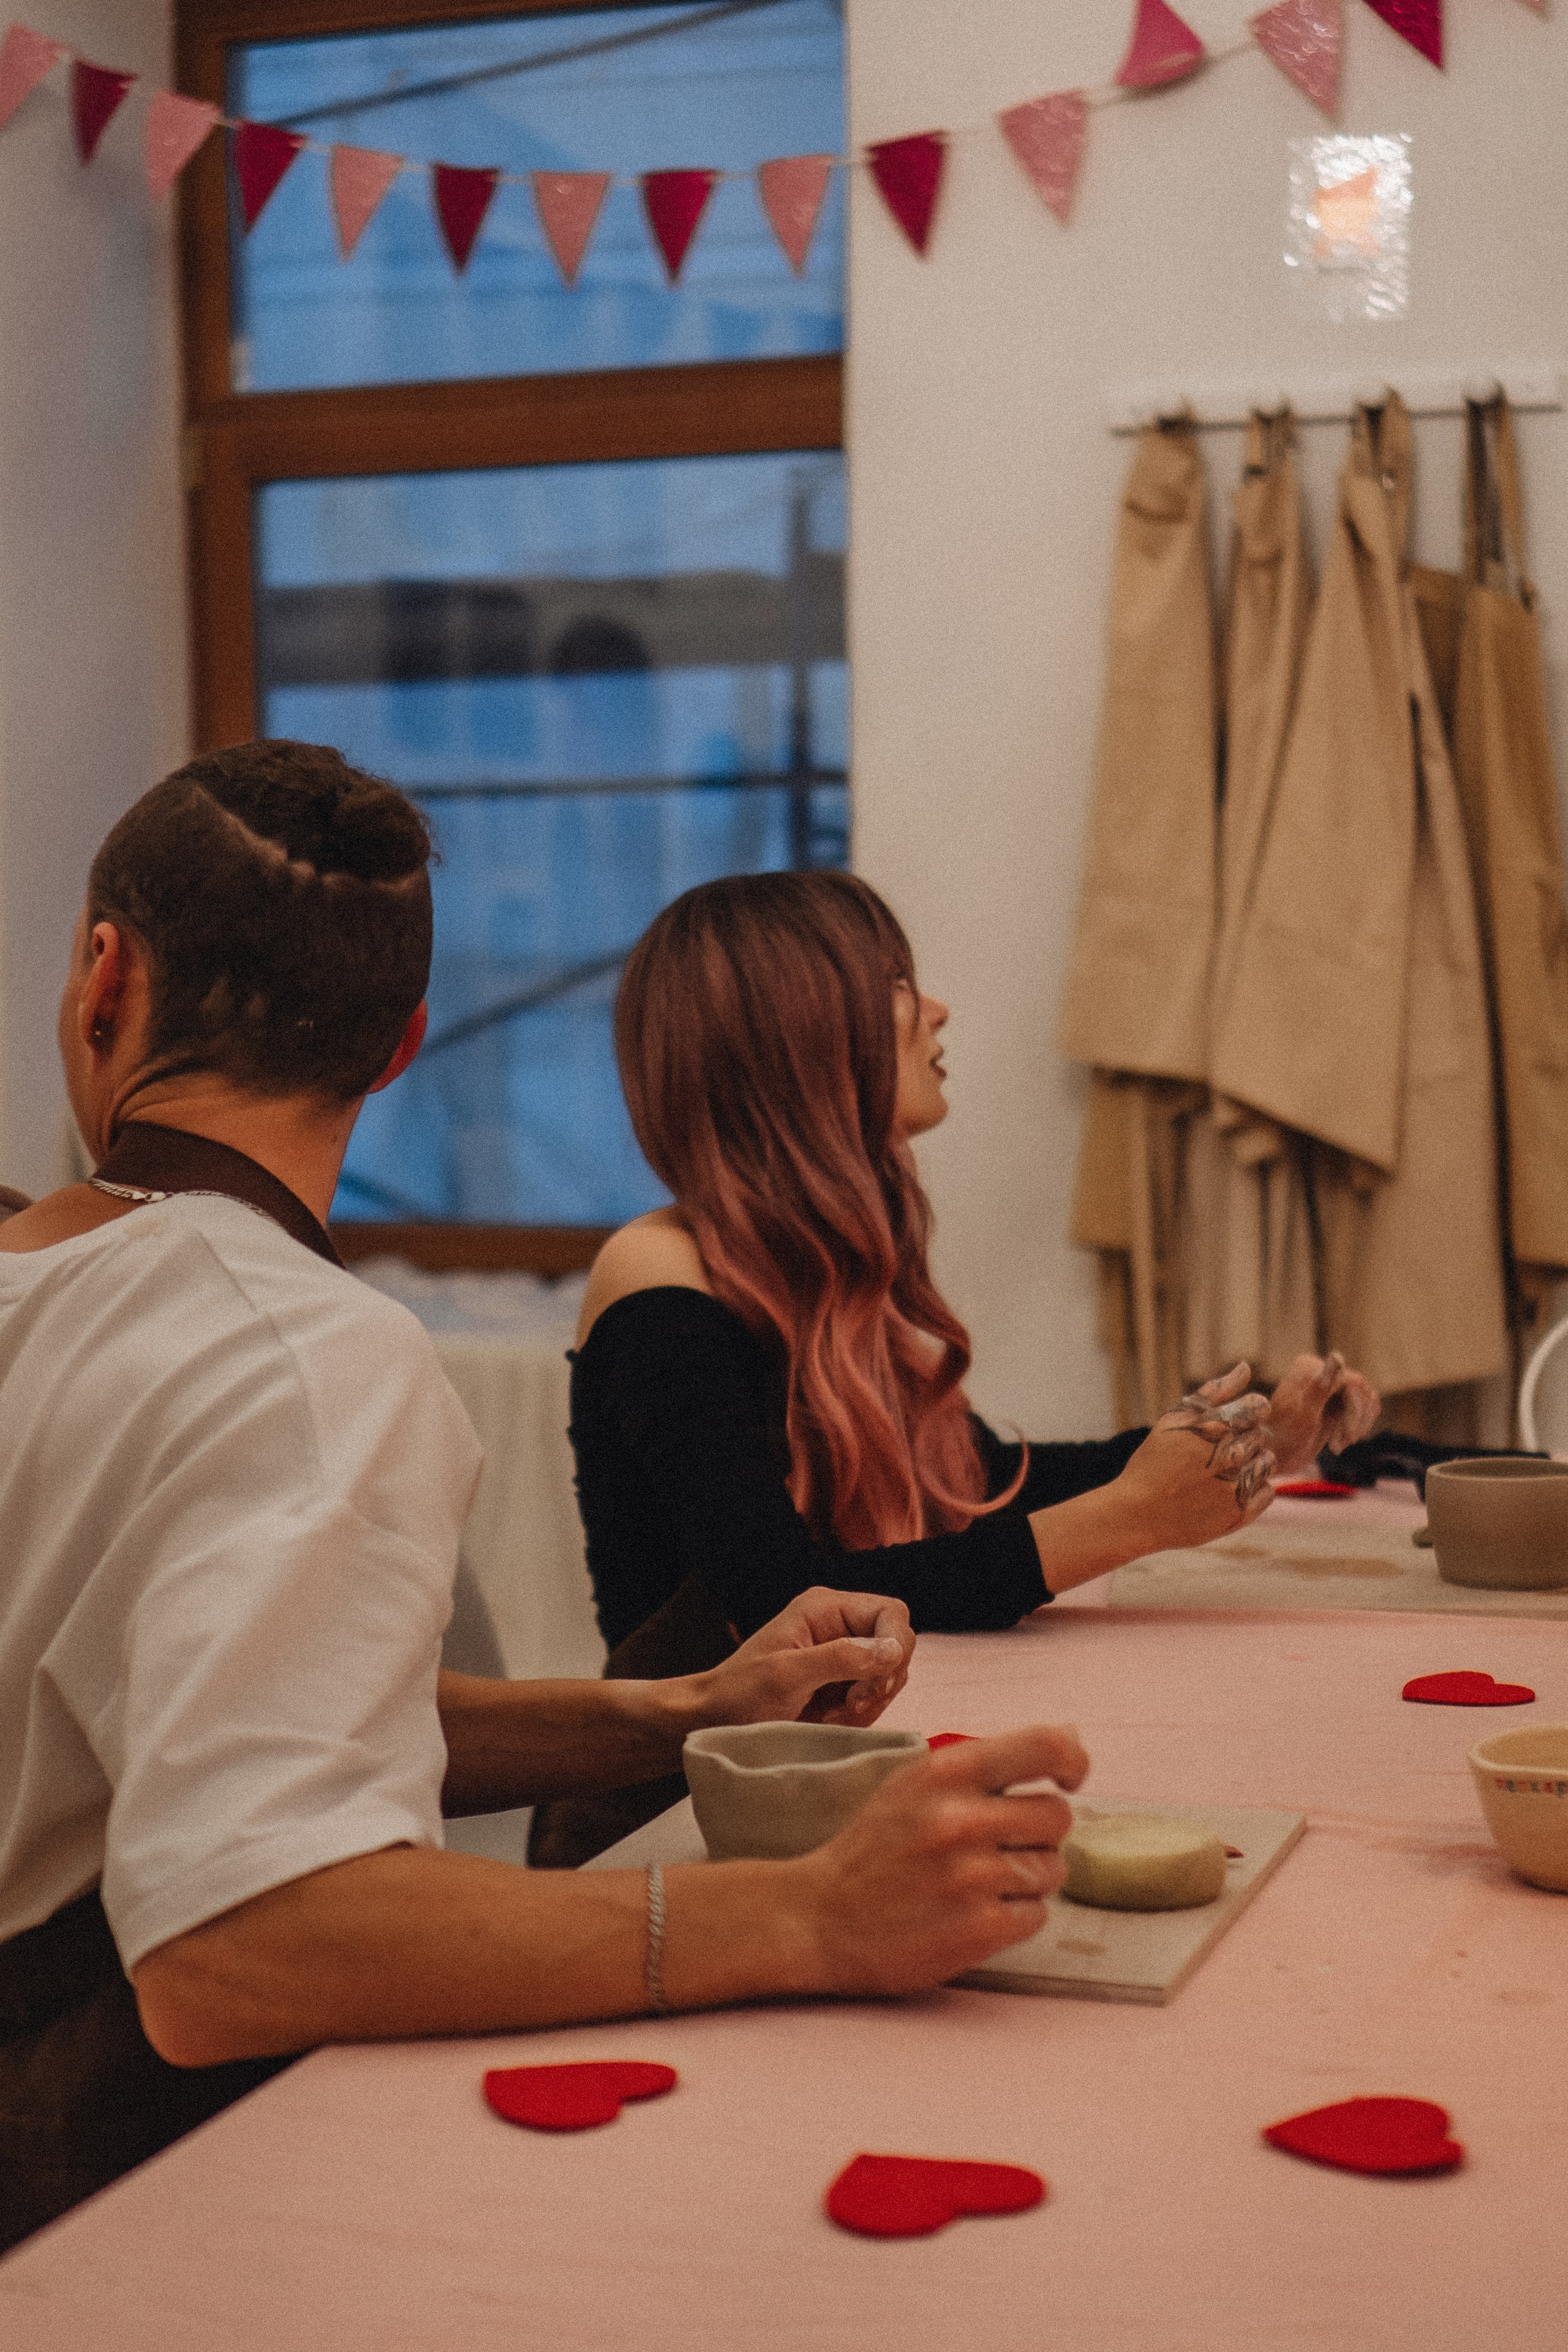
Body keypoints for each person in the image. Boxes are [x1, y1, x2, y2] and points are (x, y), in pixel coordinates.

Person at [0, 744, 1088, 2253]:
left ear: (103, 979)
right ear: (402, 1049)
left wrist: (679, 1707)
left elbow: (211, 1713)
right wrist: (807, 1915)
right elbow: (237, 1938)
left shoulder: (39, 1272)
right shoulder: (297, 1348)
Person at [565, 870, 1381, 1673]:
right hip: (683, 1789)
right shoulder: (657, 1275)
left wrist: (1253, 1441)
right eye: (893, 983)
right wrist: (1133, 1517)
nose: (936, 1008)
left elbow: (978, 1484)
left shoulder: (815, 1267)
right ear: (797, 1031)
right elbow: (783, 1606)